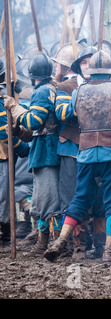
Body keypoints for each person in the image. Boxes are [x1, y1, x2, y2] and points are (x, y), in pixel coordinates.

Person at [43, 50, 111, 263]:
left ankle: (60, 241)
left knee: (80, 198)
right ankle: (110, 252)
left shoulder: (78, 91)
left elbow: (69, 114)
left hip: (85, 153)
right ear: (110, 71)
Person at [5, 52, 63, 257]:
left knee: (50, 202)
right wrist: (19, 131)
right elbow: (32, 132)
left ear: (32, 75)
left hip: (47, 151)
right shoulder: (52, 88)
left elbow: (34, 122)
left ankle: (58, 245)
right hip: (43, 148)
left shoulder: (42, 92)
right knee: (39, 202)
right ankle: (42, 243)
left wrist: (15, 108)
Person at [0, 59, 31, 246]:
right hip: (2, 154)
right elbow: (4, 131)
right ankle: (3, 232)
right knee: (3, 195)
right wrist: (22, 148)